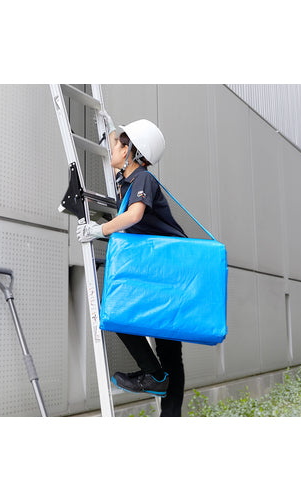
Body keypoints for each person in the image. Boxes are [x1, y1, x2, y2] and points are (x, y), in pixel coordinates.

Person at [76, 112, 186, 417]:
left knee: (164, 347)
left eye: (117, 145)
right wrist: (111, 128)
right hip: (156, 268)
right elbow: (128, 212)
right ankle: (157, 380)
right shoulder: (126, 181)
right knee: (136, 326)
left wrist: (99, 230)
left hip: (169, 269)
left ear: (130, 151)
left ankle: (160, 388)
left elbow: (134, 215)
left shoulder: (142, 179)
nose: (111, 148)